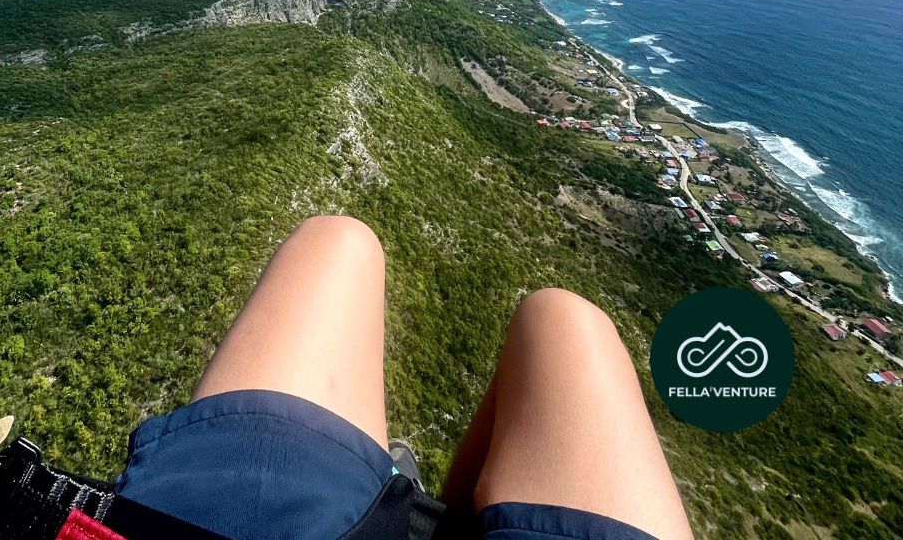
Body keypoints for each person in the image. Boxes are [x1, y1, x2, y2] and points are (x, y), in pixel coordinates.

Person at [116, 216, 694, 540]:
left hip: (241, 517)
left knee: (340, 241)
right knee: (566, 317)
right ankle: (443, 520)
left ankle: (410, 506)